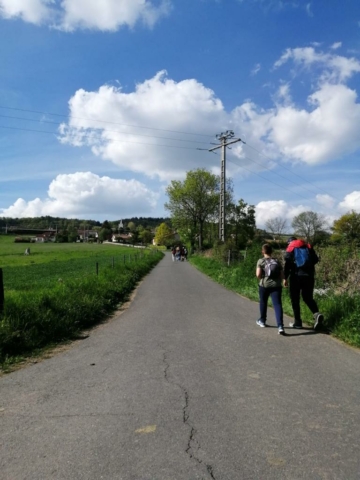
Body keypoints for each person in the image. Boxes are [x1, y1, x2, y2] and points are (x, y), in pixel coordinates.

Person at [283, 236, 324, 330]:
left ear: (289, 242)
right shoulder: (307, 246)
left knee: (295, 299)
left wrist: (285, 277)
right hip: (309, 276)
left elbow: (287, 264)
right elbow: (315, 260)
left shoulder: (291, 247)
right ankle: (317, 314)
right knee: (308, 297)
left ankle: (297, 322)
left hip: (296, 277)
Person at [256, 243, 285, 335]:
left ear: (262, 252)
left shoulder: (261, 261)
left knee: (263, 302)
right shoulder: (276, 261)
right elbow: (282, 274)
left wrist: (262, 279)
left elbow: (258, 275)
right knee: (277, 305)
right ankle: (280, 326)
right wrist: (284, 280)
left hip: (264, 285)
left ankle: (262, 321)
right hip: (276, 286)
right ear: (271, 251)